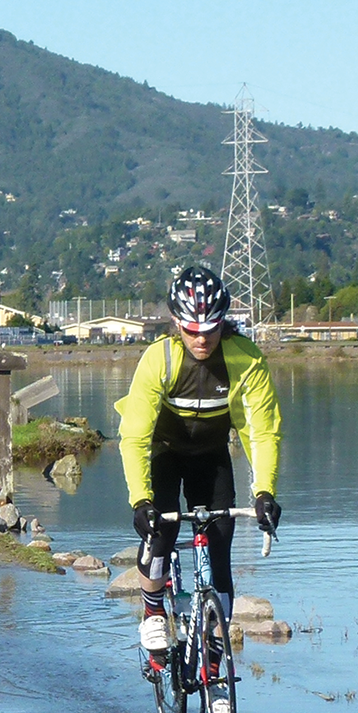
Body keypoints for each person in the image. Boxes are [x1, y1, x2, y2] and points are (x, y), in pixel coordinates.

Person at [116, 265, 283, 671]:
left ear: (223, 322)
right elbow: (135, 436)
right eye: (191, 330)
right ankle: (154, 611)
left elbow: (261, 432)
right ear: (176, 324)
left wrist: (265, 493)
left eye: (210, 328)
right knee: (162, 531)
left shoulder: (245, 359)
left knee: (221, 547)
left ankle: (211, 658)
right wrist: (141, 500)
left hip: (211, 456)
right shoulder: (160, 358)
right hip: (164, 451)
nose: (201, 338)